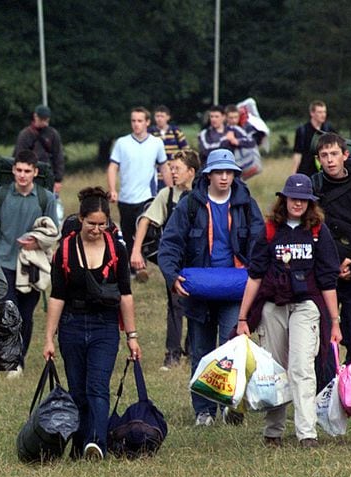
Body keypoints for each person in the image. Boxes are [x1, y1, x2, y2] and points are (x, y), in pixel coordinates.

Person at [157, 149, 264, 426]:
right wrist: (171, 276)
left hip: (234, 288)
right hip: (199, 288)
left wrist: (255, 273)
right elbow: (170, 242)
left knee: (231, 349)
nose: (225, 177)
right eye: (219, 172)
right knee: (201, 351)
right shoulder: (190, 204)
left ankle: (230, 404)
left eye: (229, 172)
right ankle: (203, 411)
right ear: (208, 174)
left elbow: (259, 240)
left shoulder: (246, 204)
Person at [235, 174, 342, 448]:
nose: (297, 203)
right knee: (274, 368)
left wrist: (335, 321)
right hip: (273, 307)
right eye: (293, 198)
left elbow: (328, 280)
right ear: (284, 199)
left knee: (302, 367)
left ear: (310, 202)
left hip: (306, 306)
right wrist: (243, 318)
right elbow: (255, 275)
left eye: (303, 199)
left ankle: (307, 433)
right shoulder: (271, 230)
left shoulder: (318, 231)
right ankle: (273, 431)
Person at [42, 188, 141, 460]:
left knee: (97, 386)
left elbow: (125, 295)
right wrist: (49, 337)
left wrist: (132, 336)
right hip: (72, 324)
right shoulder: (64, 250)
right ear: (80, 220)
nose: (96, 230)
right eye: (91, 224)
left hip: (104, 326)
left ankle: (96, 443)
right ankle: (79, 443)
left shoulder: (117, 250)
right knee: (77, 390)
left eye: (102, 224)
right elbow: (57, 296)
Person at [0, 149, 57, 370]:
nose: (22, 175)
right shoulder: (0, 195)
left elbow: (52, 232)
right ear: (13, 170)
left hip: (31, 265)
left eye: (27, 171)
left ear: (35, 172)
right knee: (6, 311)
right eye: (19, 170)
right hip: (3, 262)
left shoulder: (46, 198)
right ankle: (8, 360)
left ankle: (19, 358)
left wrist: (37, 243)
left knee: (25, 315)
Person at [130, 149, 201, 370]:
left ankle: (193, 351)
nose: (172, 173)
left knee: (197, 304)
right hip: (175, 259)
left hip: (199, 258)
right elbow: (146, 220)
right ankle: (172, 354)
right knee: (175, 304)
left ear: (191, 171)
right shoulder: (167, 195)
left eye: (177, 169)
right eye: (171, 169)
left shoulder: (202, 194)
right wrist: (136, 250)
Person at [310, 133, 351, 365]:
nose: (330, 160)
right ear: (318, 159)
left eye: (334, 154)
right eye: (324, 155)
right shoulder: (313, 189)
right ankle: (325, 390)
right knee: (324, 338)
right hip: (324, 274)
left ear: (345, 155)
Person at [107, 107, 168, 250]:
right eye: (133, 121)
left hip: (146, 197)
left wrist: (171, 190)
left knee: (145, 235)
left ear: (147, 122)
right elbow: (113, 167)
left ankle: (142, 265)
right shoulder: (122, 143)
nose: (136, 124)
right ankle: (131, 267)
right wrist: (112, 189)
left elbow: (164, 167)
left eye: (140, 121)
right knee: (128, 236)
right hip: (126, 198)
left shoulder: (156, 143)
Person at [14, 104, 64, 194]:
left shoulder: (52, 134)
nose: (44, 122)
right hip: (29, 176)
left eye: (46, 119)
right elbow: (19, 156)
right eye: (41, 119)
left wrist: (58, 180)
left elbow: (58, 157)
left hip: (48, 176)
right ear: (35, 116)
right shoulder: (25, 135)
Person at [291, 100, 334, 176]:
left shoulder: (329, 129)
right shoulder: (302, 130)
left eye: (324, 112)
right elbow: (298, 153)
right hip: (306, 171)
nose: (323, 115)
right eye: (320, 112)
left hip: (324, 172)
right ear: (312, 113)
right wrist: (294, 173)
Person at [225, 107, 263, 179]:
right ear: (226, 118)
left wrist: (237, 141)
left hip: (237, 162)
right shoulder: (223, 129)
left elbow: (251, 141)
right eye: (231, 118)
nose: (233, 120)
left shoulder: (238, 129)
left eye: (235, 117)